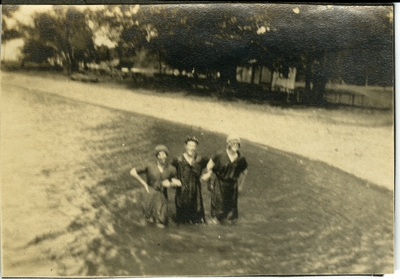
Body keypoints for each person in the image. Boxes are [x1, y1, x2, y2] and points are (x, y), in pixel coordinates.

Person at [130, 145, 182, 228]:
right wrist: (144, 183)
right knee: (146, 221)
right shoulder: (149, 165)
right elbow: (132, 172)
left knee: (161, 223)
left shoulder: (171, 169)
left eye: (164, 154)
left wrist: (170, 184)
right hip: (149, 193)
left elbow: (178, 183)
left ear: (167, 155)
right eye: (160, 155)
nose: (162, 157)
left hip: (162, 196)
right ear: (157, 156)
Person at [201, 134, 248, 224]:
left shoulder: (241, 158)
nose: (235, 146)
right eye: (233, 143)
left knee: (229, 217)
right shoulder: (220, 154)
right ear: (228, 144)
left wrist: (241, 185)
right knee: (217, 214)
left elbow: (245, 172)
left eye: (237, 144)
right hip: (220, 185)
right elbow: (209, 167)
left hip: (233, 186)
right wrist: (209, 183)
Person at [171, 136, 209, 224]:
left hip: (196, 193)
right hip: (182, 192)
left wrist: (207, 174)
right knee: (182, 220)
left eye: (194, 146)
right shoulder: (178, 160)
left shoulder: (200, 159)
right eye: (189, 145)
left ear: (196, 147)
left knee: (198, 220)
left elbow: (213, 165)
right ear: (185, 146)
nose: (191, 148)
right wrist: (173, 180)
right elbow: (168, 171)